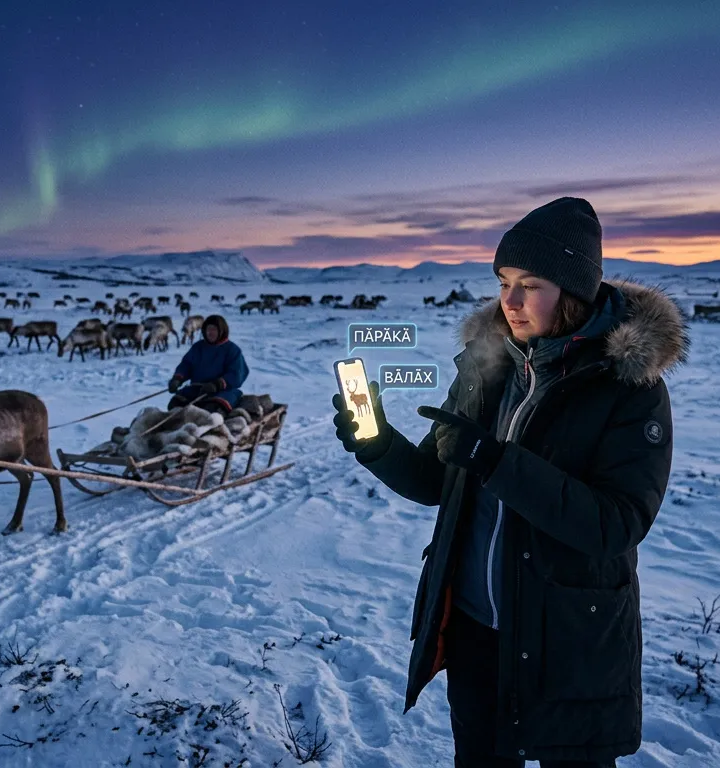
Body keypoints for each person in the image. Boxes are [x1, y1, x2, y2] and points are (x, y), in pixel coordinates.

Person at [332, 197, 687, 767]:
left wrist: (498, 463)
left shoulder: (628, 387)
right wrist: (378, 443)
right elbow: (436, 482)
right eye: (503, 281)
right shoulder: (486, 365)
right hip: (476, 631)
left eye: (531, 284)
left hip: (569, 640)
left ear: (574, 292)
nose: (511, 301)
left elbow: (617, 524)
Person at [168, 314, 249, 414]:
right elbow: (186, 364)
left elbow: (237, 373)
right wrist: (177, 379)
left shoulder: (232, 350)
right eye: (208, 329)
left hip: (222, 392)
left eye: (214, 329)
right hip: (197, 389)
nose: (210, 333)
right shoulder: (198, 347)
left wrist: (217, 384)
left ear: (221, 330)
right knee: (174, 404)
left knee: (210, 411)